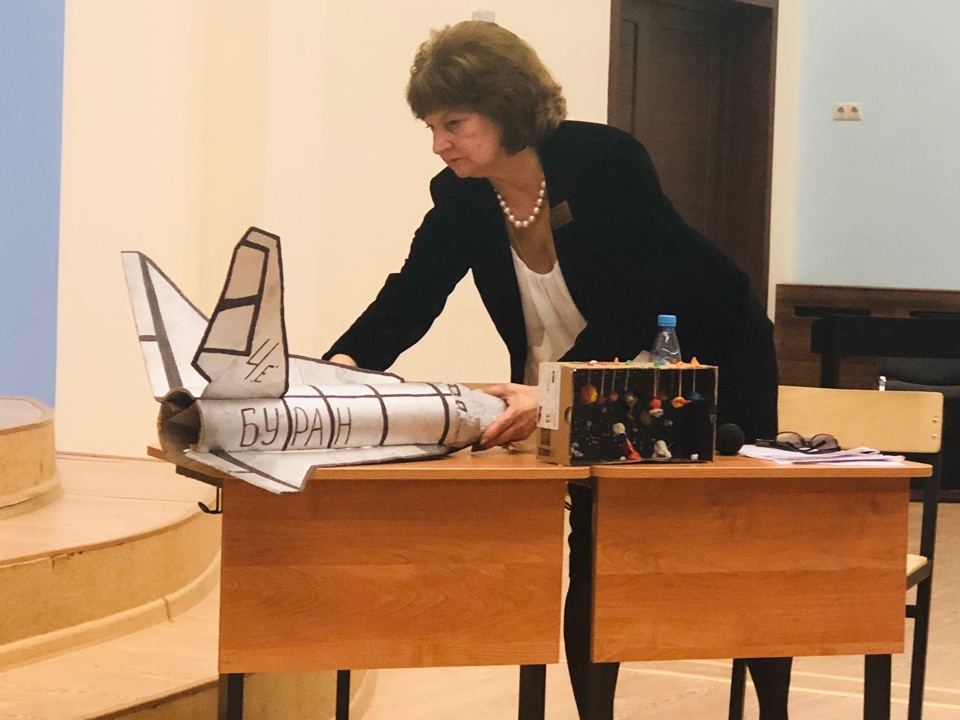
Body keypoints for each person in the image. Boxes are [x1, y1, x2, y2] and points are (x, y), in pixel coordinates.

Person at [324, 20, 790, 720]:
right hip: (579, 383)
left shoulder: (607, 161)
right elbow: (410, 297)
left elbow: (635, 305)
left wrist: (549, 394)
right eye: (431, 126)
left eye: (454, 123)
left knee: (740, 549)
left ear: (506, 107)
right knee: (595, 546)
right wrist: (336, 371)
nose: (438, 143)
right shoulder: (462, 197)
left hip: (706, 361)